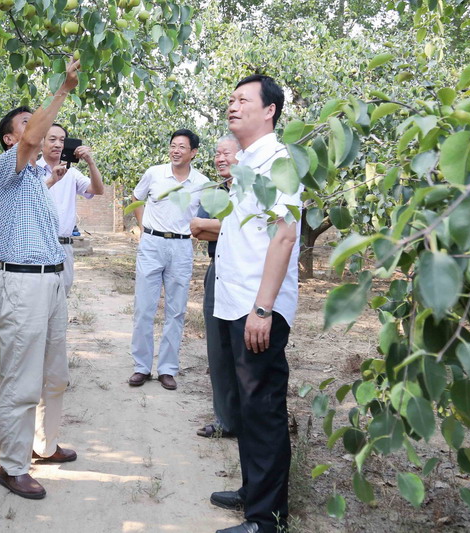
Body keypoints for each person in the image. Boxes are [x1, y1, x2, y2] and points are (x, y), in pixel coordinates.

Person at [209, 75, 301, 533]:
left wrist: (263, 309)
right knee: (248, 405)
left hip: (257, 307)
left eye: (243, 99)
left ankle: (267, 519)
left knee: (262, 408)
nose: (233, 105)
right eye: (231, 99)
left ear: (269, 110)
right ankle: (253, 491)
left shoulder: (279, 162)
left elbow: (285, 235)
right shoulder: (246, 163)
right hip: (235, 303)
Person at [0, 59, 81, 500]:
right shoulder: (2, 168)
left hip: (51, 283)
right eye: (28, 124)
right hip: (24, 287)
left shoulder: (34, 180)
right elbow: (31, 139)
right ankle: (12, 466)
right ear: (11, 139)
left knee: (54, 374)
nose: (38, 130)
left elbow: (23, 220)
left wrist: (52, 181)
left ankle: (44, 445)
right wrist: (62, 89)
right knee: (22, 379)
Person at [127, 129, 209, 391]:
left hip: (182, 247)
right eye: (173, 145)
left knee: (176, 310)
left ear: (193, 152)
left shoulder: (202, 183)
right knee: (144, 308)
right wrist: (143, 228)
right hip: (152, 244)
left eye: (182, 147)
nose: (176, 150)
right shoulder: (154, 173)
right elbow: (136, 198)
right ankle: (141, 366)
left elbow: (209, 215)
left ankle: (167, 369)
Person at [190, 134, 241, 439]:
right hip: (216, 270)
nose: (220, 159)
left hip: (245, 273)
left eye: (226, 153)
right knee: (218, 350)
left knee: (244, 349)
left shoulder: (253, 189)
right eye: (217, 154)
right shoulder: (214, 192)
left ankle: (249, 419)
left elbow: (256, 228)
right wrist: (232, 227)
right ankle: (226, 420)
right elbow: (197, 229)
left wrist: (219, 227)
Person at [38, 123, 105, 295]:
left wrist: (90, 162)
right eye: (52, 139)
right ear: (41, 142)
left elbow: (98, 189)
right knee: (38, 296)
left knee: (62, 294)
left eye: (62, 140)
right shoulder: (32, 170)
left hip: (64, 246)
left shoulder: (71, 173)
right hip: (39, 244)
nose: (58, 144)